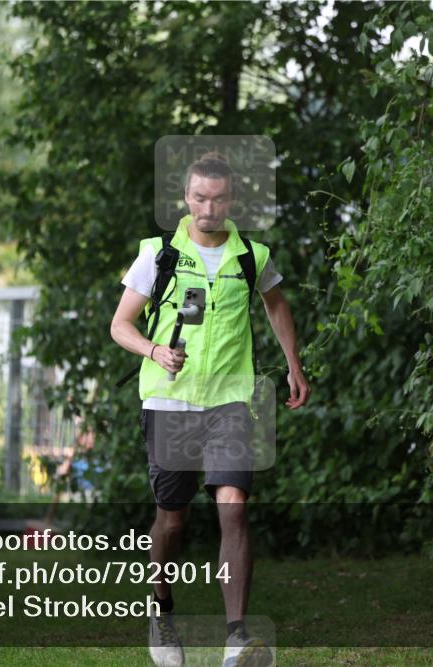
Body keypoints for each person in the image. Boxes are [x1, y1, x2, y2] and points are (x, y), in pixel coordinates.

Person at [111, 153, 310, 667]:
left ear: (232, 200)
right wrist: (154, 350)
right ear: (185, 198)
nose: (208, 208)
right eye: (199, 198)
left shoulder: (252, 256)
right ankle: (161, 612)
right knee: (171, 521)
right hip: (170, 400)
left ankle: (237, 636)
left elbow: (277, 304)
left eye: (218, 198)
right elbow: (121, 325)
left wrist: (293, 363)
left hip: (230, 400)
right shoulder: (158, 255)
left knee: (234, 506)